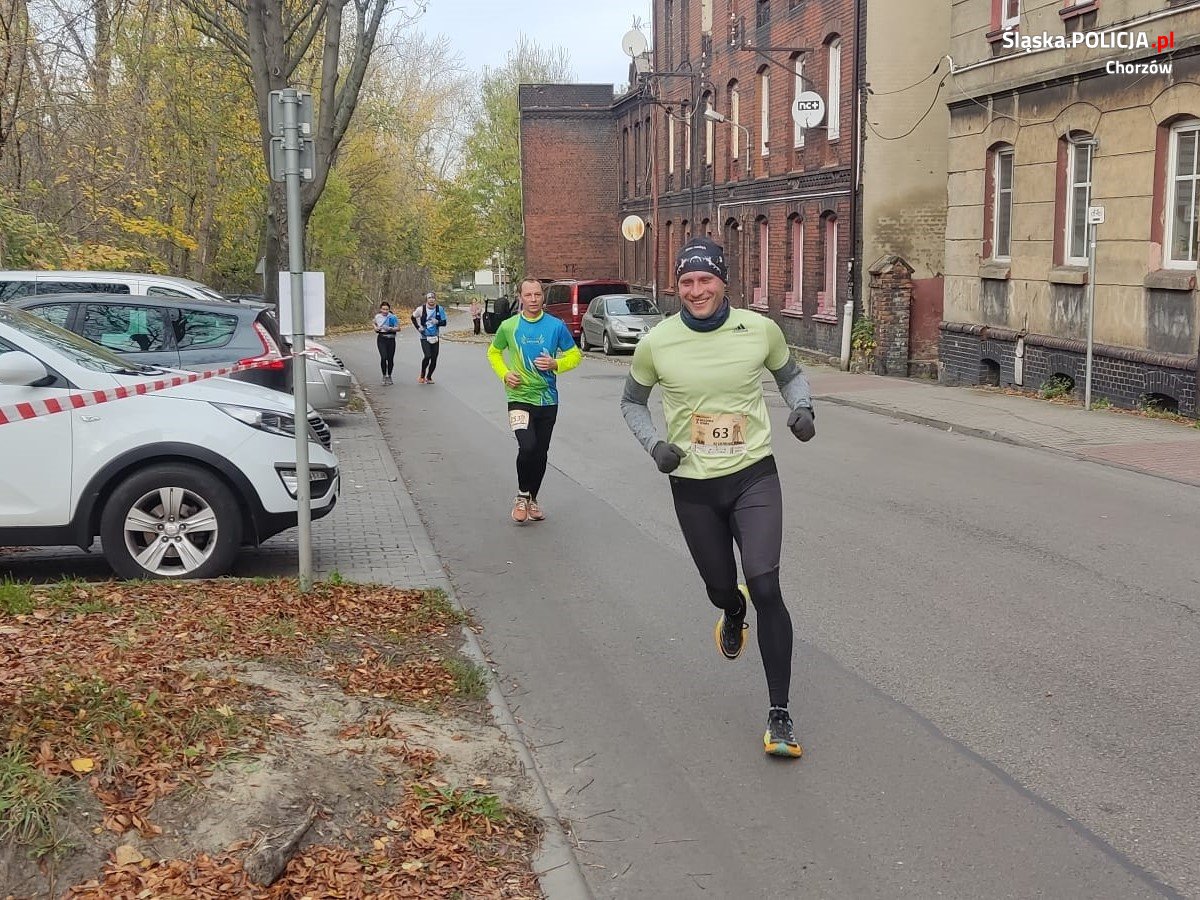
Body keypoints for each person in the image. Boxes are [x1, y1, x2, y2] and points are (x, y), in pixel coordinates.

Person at [620, 237, 816, 758]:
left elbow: (791, 375)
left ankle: (780, 714)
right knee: (720, 588)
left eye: (705, 279)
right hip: (693, 486)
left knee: (766, 584)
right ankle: (731, 611)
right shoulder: (657, 342)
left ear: (723, 281)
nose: (696, 290)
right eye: (686, 281)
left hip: (754, 476)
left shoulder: (760, 330)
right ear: (677, 286)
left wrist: (803, 409)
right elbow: (632, 403)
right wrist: (655, 445)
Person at [487, 276, 582, 524]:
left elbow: (575, 355)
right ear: (520, 297)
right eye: (528, 295)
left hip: (548, 399)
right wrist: (505, 374)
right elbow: (493, 352)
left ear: (543, 297)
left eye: (537, 295)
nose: (533, 300)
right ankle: (521, 496)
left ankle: (533, 499)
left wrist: (556, 364)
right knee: (527, 446)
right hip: (518, 397)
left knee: (540, 452)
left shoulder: (556, 326)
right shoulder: (509, 326)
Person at [412, 291, 448, 384]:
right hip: (424, 336)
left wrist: (437, 322)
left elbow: (444, 323)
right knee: (427, 356)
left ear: (435, 299)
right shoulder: (421, 309)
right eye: (429, 298)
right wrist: (418, 327)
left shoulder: (439, 309)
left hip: (435, 336)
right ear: (427, 299)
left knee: (434, 358)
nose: (431, 300)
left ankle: (429, 377)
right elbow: (413, 317)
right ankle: (422, 375)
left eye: (433, 298)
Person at [372, 301, 399, 384]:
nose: (385, 311)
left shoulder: (392, 317)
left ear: (389, 310)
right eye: (383, 309)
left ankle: (389, 376)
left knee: (390, 359)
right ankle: (384, 375)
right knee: (384, 357)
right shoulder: (378, 316)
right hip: (381, 339)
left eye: (387, 309)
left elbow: (398, 328)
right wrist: (375, 328)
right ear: (380, 309)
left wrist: (390, 329)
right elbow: (373, 322)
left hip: (391, 339)